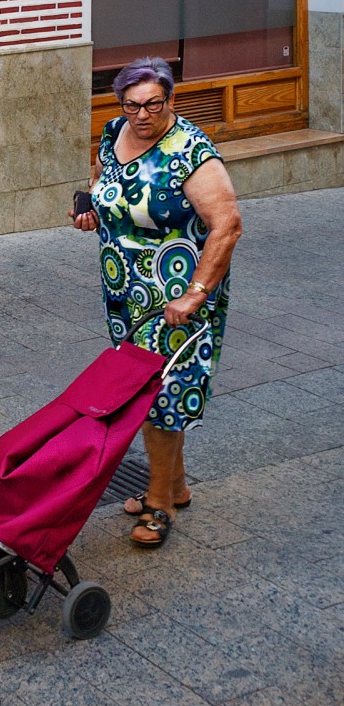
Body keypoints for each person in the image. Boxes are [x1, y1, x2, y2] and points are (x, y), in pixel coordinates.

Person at [72, 56, 242, 547]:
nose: (142, 115)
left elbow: (227, 225)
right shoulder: (112, 134)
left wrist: (196, 294)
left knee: (161, 398)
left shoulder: (192, 151)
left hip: (178, 299)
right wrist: (89, 212)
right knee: (142, 389)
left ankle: (159, 504)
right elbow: (105, 189)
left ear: (170, 98)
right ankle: (177, 485)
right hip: (125, 293)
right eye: (131, 105)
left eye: (153, 104)